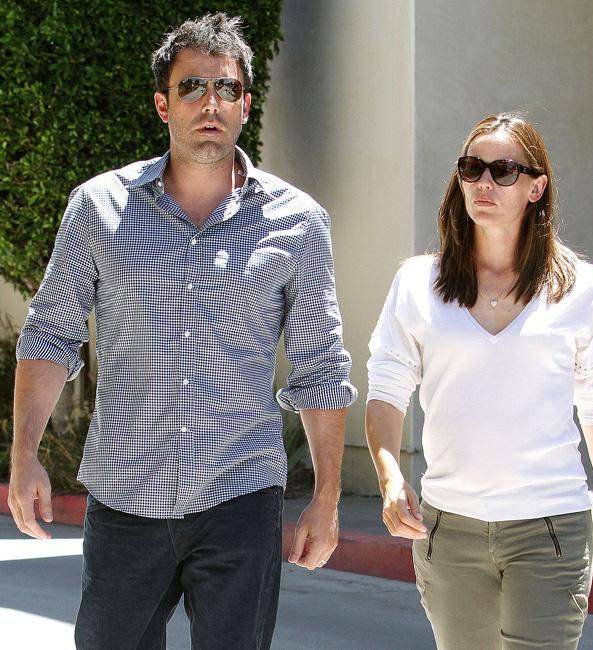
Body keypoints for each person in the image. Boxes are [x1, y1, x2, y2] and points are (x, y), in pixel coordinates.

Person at [8, 12, 356, 649]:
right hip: (125, 499)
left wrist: (327, 498)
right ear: (163, 105)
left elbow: (321, 365)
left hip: (240, 498)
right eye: (192, 87)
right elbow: (50, 333)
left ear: (245, 105)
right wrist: (25, 456)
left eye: (226, 89)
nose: (210, 104)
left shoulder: (298, 221)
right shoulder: (98, 207)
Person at [365, 113, 593, 649]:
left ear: (537, 187)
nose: (484, 183)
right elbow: (386, 391)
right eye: (472, 168)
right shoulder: (418, 283)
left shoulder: (582, 289)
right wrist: (390, 477)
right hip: (449, 530)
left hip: (551, 528)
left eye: (503, 171)